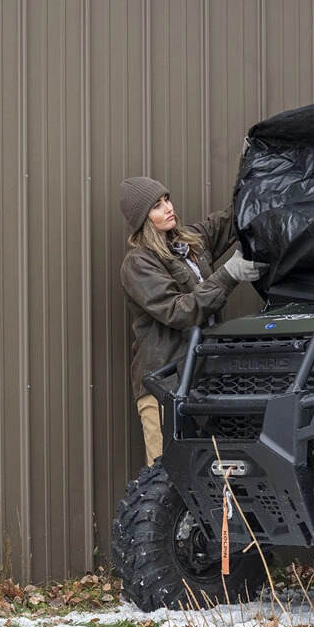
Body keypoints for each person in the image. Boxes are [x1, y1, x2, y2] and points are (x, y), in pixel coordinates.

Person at [119, 176, 263, 464]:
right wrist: (228, 275)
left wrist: (253, 172)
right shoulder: (139, 263)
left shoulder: (189, 243)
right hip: (165, 384)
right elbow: (179, 311)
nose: (169, 208)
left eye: (167, 200)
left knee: (211, 470)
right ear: (143, 219)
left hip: (204, 380)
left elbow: (230, 218)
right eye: (157, 207)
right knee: (167, 472)